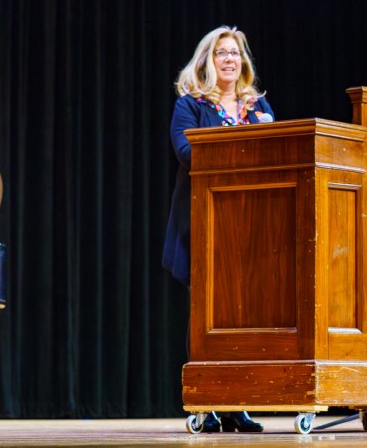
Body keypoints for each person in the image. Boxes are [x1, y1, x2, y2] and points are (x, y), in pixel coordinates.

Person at [162, 26, 274, 433]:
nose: (230, 59)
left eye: (235, 53)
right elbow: (188, 152)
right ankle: (206, 403)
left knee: (245, 317)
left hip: (252, 223)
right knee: (207, 316)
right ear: (207, 61)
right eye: (221, 53)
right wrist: (241, 141)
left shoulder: (257, 104)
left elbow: (275, 151)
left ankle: (237, 404)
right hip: (205, 221)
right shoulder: (191, 105)